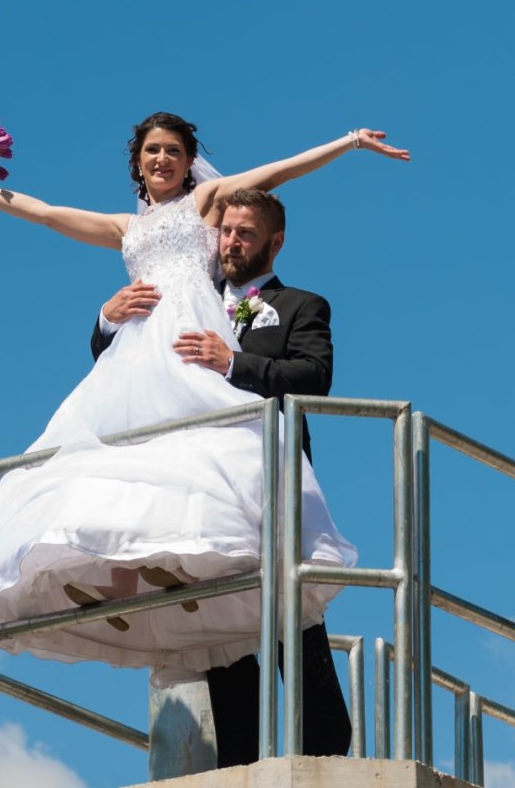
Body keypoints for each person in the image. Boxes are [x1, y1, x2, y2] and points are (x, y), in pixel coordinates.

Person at [0, 111, 409, 690]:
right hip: (137, 348)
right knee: (125, 456)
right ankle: (122, 572)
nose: (162, 159)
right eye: (152, 150)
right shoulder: (125, 226)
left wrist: (348, 142)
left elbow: (279, 173)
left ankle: (200, 559)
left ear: (189, 162)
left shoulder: (205, 204)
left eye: (173, 151)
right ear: (137, 161)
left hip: (190, 338)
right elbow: (44, 212)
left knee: (201, 450)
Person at [93, 185, 351, 761]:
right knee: (218, 621)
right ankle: (239, 759)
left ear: (274, 243)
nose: (231, 242)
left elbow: (314, 376)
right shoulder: (186, 297)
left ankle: (327, 750)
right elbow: (124, 367)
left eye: (245, 234)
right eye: (226, 231)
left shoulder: (301, 305)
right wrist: (107, 320)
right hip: (201, 486)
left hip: (267, 482)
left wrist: (233, 362)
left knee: (289, 609)